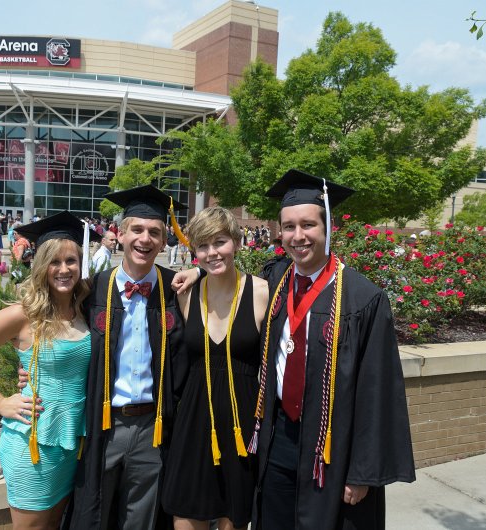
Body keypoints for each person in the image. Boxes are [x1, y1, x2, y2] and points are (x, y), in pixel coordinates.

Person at [174, 170, 415, 530]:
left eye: (308, 225)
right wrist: (197, 273)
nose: (298, 236)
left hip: (330, 450)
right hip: (276, 441)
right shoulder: (277, 281)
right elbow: (228, 275)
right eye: (288, 227)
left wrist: (363, 472)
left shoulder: (363, 299)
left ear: (327, 228)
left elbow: (378, 391)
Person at [0, 211, 93, 529]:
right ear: (40, 265)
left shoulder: (84, 307)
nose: (63, 269)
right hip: (34, 443)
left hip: (73, 442)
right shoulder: (22, 314)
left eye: (71, 261)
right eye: (54, 262)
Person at [65, 185, 189, 530]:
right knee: (95, 512)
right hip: (103, 424)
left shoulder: (178, 289)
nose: (145, 239)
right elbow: (58, 339)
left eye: (155, 232)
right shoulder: (92, 290)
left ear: (165, 241)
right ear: (118, 234)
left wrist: (200, 272)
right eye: (137, 229)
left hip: (154, 426)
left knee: (142, 519)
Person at [161, 206, 269, 530]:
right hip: (194, 423)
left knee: (233, 519)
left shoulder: (262, 292)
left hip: (242, 425)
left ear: (236, 242)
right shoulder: (186, 294)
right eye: (203, 246)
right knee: (185, 515)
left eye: (219, 242)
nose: (212, 253)